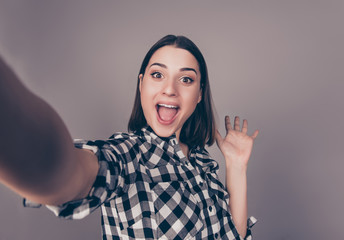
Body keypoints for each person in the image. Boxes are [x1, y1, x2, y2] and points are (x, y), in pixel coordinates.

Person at [0, 35, 259, 239]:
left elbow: (231, 235)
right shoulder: (128, 156)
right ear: (142, 83)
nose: (170, 89)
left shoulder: (201, 161)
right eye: (158, 75)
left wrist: (236, 168)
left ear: (200, 94)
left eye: (186, 79)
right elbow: (62, 172)